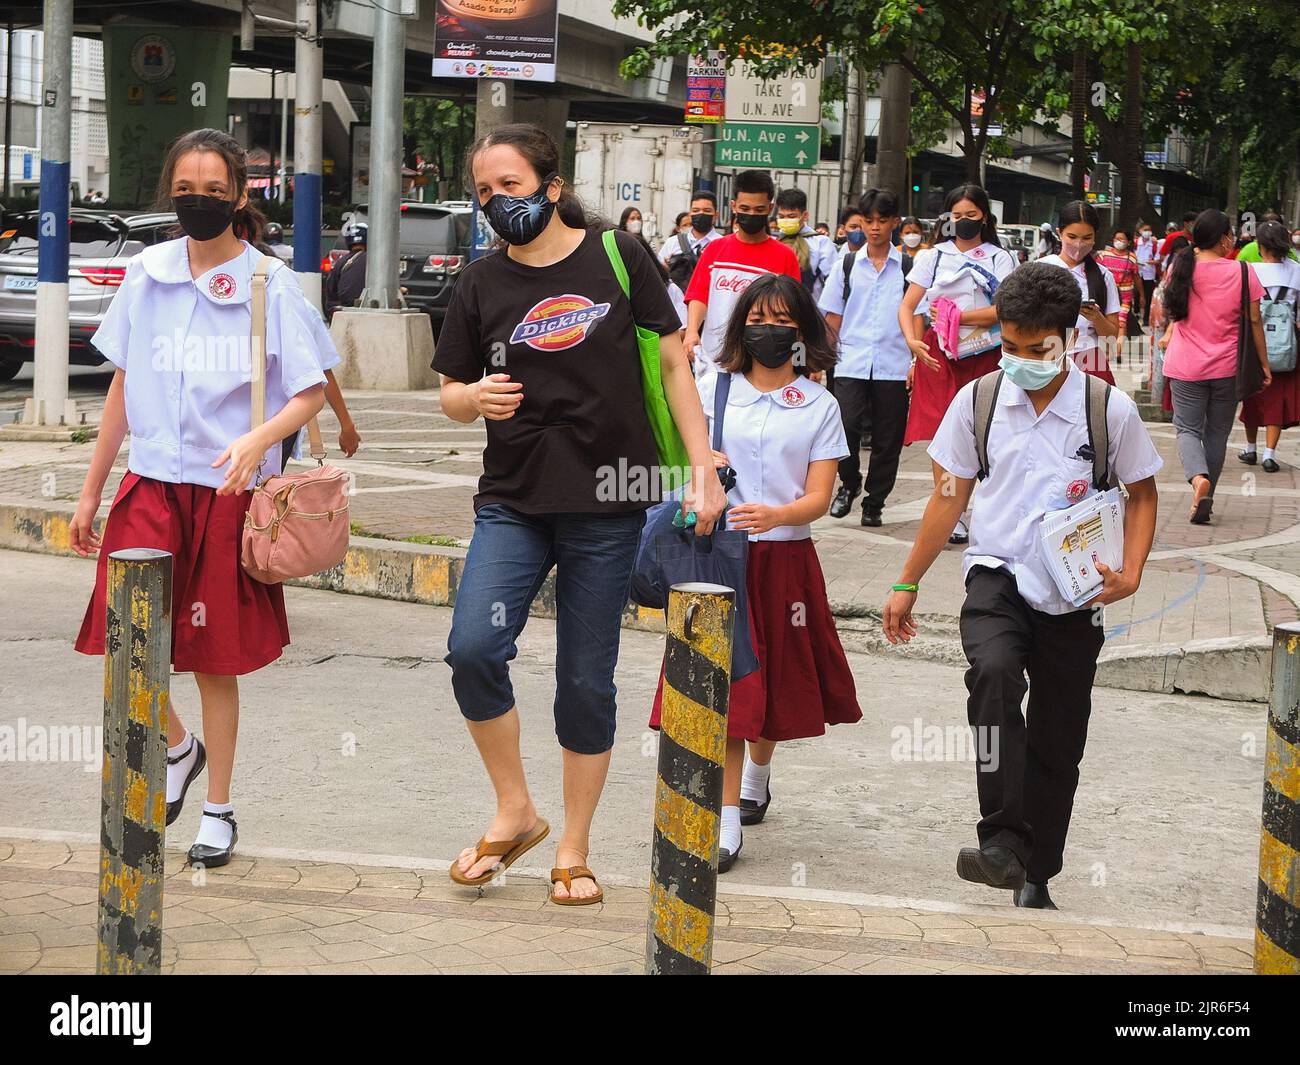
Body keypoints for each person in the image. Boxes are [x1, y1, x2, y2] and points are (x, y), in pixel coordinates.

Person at [432, 123, 727, 905]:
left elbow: (672, 362)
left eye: (513, 186)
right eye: (486, 191)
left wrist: (703, 468)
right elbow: (451, 393)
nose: (499, 202)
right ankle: (514, 808)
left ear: (553, 187)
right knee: (472, 647)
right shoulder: (480, 283)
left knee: (584, 680)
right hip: (514, 499)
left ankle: (573, 843)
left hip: (608, 500)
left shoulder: (617, 258)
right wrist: (474, 397)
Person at [68, 127, 336, 868]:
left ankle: (218, 806)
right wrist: (91, 491)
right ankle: (177, 748)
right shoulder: (146, 275)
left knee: (213, 656)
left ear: (240, 196)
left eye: (213, 191)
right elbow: (122, 385)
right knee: (127, 645)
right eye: (184, 190)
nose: (197, 202)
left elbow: (309, 391)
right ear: (169, 191)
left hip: (225, 493)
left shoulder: (267, 284)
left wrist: (258, 442)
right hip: (150, 485)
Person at [882, 262, 1162, 910]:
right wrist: (906, 581)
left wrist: (1134, 571)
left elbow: (1143, 493)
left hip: (1076, 592)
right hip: (996, 575)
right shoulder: (978, 402)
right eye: (1008, 346)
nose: (1021, 360)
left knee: (1058, 738)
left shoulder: (1106, 410)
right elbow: (947, 500)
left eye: (1037, 349)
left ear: (1067, 338)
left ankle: (1036, 867)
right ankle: (1002, 839)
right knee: (995, 672)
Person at [649, 273, 861, 871]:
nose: (769, 331)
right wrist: (701, 465)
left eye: (783, 322)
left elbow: (820, 497)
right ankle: (724, 821)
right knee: (730, 688)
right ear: (740, 325)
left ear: (803, 332)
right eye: (758, 319)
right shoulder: (712, 386)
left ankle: (757, 780)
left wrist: (778, 514)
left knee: (777, 679)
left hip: (787, 559)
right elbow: (675, 454)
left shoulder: (821, 404)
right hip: (719, 555)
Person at [898, 183, 1018, 543]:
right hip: (939, 356)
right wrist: (912, 342)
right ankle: (953, 511)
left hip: (986, 354)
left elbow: (1007, 309)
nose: (963, 222)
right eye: (957, 216)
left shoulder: (1000, 258)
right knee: (941, 432)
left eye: (972, 215)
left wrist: (959, 317)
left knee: (986, 431)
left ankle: (988, 506)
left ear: (985, 217)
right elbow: (908, 305)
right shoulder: (932, 256)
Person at [1160, 209, 1271, 524]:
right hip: (1227, 367)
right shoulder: (1244, 272)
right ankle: (1205, 497)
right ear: (1225, 239)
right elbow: (1254, 321)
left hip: (1185, 366)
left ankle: (1197, 480)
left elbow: (1173, 313)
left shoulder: (1180, 268)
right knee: (1218, 434)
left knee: (1187, 429)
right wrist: (1264, 366)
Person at [819, 188, 913, 526]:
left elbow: (918, 315)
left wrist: (916, 360)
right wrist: (820, 359)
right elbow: (833, 315)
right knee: (844, 426)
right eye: (868, 221)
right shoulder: (846, 264)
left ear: (895, 224)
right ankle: (849, 483)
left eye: (882, 221)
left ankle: (875, 501)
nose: (874, 228)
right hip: (850, 360)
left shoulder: (908, 267)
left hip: (894, 363)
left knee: (889, 438)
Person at [683, 171, 801, 378]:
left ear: (770, 209)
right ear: (734, 205)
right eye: (745, 208)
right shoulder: (715, 250)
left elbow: (795, 312)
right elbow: (699, 295)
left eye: (759, 209)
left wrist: (800, 359)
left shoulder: (785, 256)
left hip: (763, 363)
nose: (752, 214)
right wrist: (692, 331)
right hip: (714, 360)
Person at [1239, 220, 1300, 472]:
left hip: (1255, 344)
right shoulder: (1297, 271)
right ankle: (1269, 453)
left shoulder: (1249, 270)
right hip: (1287, 345)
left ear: (1261, 246)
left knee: (1252, 395)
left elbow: (1242, 311)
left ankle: (1250, 449)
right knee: (1278, 396)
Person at [1037, 201, 1122, 382]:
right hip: (1045, 354)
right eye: (1072, 236)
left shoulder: (1103, 276)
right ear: (1059, 233)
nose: (1078, 244)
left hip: (1088, 359)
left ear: (1094, 237)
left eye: (1086, 238)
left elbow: (1111, 336)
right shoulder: (1040, 269)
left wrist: (1096, 316)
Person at [774, 187, 838, 298]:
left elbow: (833, 282)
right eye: (781, 216)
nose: (786, 220)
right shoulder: (774, 241)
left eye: (792, 216)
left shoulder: (821, 243)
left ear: (805, 215)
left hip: (810, 307)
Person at [659, 189, 723, 293]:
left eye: (707, 211)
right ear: (690, 214)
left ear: (716, 215)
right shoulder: (673, 242)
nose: (701, 214)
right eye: (696, 210)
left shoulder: (723, 244)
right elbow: (658, 276)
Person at [1097, 226, 1143, 332]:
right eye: (1116, 238)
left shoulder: (1131, 258)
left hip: (1124, 298)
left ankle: (1118, 347)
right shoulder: (1103, 255)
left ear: (1129, 242)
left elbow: (1136, 277)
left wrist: (1141, 295)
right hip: (1106, 295)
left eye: (1122, 239)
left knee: (1121, 322)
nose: (1118, 241)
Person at [325, 219, 367, 318]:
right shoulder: (375, 261)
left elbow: (331, 290)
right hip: (369, 311)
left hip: (343, 312)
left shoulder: (340, 262)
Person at [1134, 222, 1159, 325]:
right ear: (1140, 231)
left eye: (1149, 230)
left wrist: (1151, 262)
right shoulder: (1136, 243)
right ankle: (1136, 313)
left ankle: (1146, 319)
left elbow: (1158, 259)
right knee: (1136, 294)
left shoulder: (1154, 244)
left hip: (1149, 273)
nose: (1147, 232)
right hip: (1137, 272)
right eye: (1145, 230)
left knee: (1148, 296)